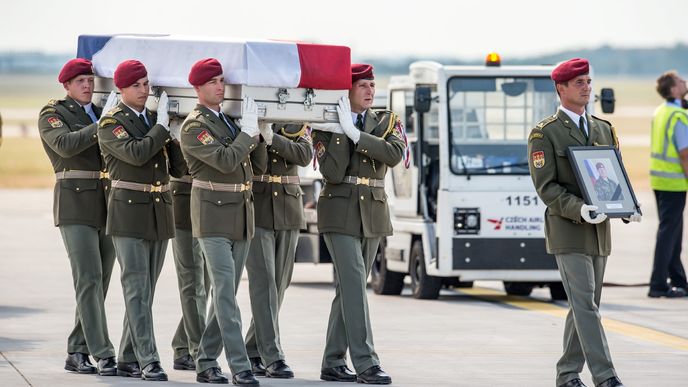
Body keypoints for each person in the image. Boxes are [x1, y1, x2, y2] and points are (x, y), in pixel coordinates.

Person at [528, 58, 641, 387]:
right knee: (586, 306)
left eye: (588, 82)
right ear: (561, 88)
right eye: (579, 83)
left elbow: (614, 176)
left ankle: (567, 373)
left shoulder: (604, 129)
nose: (587, 88)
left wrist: (628, 206)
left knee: (585, 306)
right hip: (568, 229)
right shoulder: (545, 133)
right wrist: (578, 208)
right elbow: (546, 187)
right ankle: (605, 375)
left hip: (599, 232)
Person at [310, 63, 404, 385]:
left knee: (350, 289)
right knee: (352, 283)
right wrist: (341, 130)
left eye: (372, 85)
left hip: (373, 213)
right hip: (340, 211)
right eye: (362, 85)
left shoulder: (388, 120)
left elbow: (394, 155)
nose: (369, 91)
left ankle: (333, 361)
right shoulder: (325, 125)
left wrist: (357, 135)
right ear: (346, 91)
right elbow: (333, 174)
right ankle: (366, 363)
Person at [97, 59, 187, 381]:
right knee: (136, 287)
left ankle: (128, 356)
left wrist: (174, 135)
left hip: (159, 211)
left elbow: (179, 170)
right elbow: (136, 154)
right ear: (120, 88)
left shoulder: (154, 119)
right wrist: (162, 129)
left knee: (145, 291)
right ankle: (149, 358)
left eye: (146, 83)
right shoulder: (110, 124)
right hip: (128, 213)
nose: (143, 89)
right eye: (136, 84)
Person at [180, 58, 267, 385]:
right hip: (213, 217)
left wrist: (259, 135)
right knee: (226, 294)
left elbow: (254, 168)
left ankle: (204, 361)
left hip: (241, 216)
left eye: (222, 81)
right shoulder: (194, 127)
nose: (221, 86)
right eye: (213, 82)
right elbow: (226, 160)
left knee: (224, 295)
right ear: (198, 88)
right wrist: (246, 135)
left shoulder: (230, 123)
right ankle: (240, 366)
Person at [37, 58, 117, 376]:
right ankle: (103, 352)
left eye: (90, 80)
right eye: (80, 81)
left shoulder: (100, 111)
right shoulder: (53, 113)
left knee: (99, 283)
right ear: (67, 85)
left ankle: (77, 349)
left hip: (107, 203)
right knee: (89, 279)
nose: (87, 85)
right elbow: (66, 145)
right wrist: (104, 124)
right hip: (75, 203)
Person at [244, 121, 312, 378]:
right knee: (264, 285)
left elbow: (304, 155)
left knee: (279, 285)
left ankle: (252, 348)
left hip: (288, 207)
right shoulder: (248, 118)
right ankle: (273, 356)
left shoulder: (296, 121)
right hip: (258, 206)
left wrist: (273, 138)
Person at [169, 121, 210, 372]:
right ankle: (199, 349)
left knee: (204, 282)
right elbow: (179, 166)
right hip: (184, 202)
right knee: (193, 281)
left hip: (210, 204)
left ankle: (182, 345)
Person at [648, 70, 688, 298]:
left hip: (659, 178)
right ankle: (658, 284)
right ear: (673, 89)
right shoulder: (678, 116)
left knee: (673, 232)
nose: (685, 82)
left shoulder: (662, 111)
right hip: (674, 181)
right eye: (681, 81)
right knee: (668, 233)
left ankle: (679, 280)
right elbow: (684, 154)